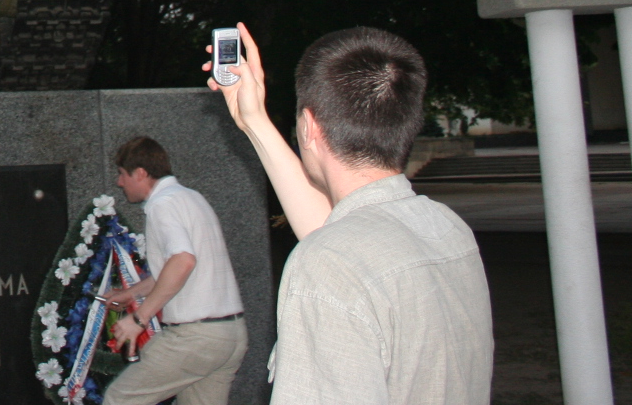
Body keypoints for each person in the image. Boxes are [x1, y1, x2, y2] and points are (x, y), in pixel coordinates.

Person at [209, 25, 492, 404]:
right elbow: (337, 236)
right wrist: (253, 120)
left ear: (308, 127)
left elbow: (336, 252)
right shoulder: (446, 227)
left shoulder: (329, 262)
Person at [99, 136, 246, 405]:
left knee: (118, 399)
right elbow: (175, 269)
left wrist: (139, 319)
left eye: (122, 174)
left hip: (196, 338)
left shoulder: (162, 204)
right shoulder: (192, 198)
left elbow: (182, 261)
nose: (119, 182)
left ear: (140, 173)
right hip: (230, 334)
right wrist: (130, 294)